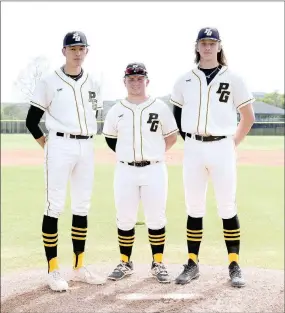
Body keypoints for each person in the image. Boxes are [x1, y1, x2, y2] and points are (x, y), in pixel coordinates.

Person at [170, 27, 255, 287]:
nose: (207, 47)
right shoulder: (184, 79)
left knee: (227, 206)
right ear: (196, 47)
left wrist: (233, 143)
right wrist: (193, 142)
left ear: (219, 46)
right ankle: (192, 263)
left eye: (212, 43)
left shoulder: (235, 78)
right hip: (194, 147)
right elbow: (177, 115)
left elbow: (248, 116)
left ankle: (234, 264)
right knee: (194, 207)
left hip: (222, 146)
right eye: (203, 43)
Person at [26, 31, 106, 291]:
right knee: (55, 206)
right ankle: (53, 270)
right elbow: (31, 120)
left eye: (81, 47)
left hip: (86, 145)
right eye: (72, 48)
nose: (77, 52)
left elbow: (95, 111)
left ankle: (79, 266)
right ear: (64, 51)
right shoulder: (50, 81)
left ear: (87, 51)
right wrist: (47, 145)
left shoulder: (94, 81)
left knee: (82, 206)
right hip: (59, 144)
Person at [102, 62, 178, 283]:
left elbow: (171, 136)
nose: (135, 82)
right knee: (125, 218)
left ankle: (158, 263)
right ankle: (125, 262)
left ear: (147, 81)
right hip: (125, 170)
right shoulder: (117, 110)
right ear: (124, 82)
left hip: (154, 168)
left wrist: (154, 153)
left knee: (156, 217)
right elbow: (110, 138)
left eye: (139, 78)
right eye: (131, 79)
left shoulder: (160, 107)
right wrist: (127, 155)